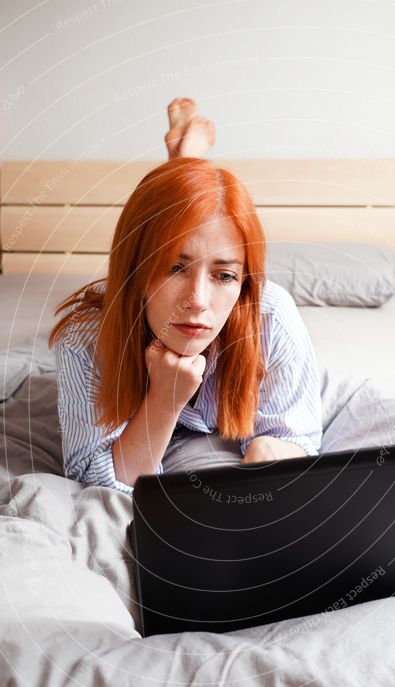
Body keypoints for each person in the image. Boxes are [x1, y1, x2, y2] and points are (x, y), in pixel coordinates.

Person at [48, 98, 323, 495]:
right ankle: (184, 161)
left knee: (183, 221)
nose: (197, 300)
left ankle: (185, 161)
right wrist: (163, 400)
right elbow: (95, 477)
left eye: (224, 275)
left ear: (244, 279)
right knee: (167, 220)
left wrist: (270, 448)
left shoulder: (270, 316)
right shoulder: (85, 338)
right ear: (135, 270)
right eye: (174, 268)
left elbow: (300, 439)